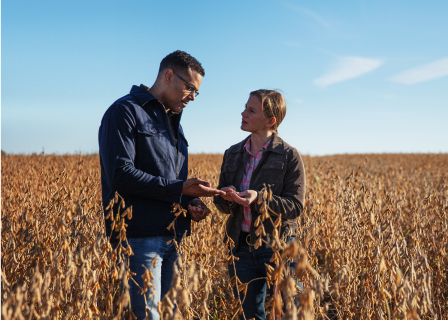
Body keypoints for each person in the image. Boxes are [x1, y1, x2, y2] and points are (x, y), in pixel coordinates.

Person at [98, 50, 225, 320]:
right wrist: (180, 189)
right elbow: (120, 174)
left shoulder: (174, 124)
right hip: (139, 238)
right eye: (190, 88)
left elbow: (172, 181)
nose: (192, 97)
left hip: (173, 237)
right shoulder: (125, 111)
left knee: (168, 315)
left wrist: (191, 202)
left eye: (196, 92)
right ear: (168, 75)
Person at [213, 89, 306, 320]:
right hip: (241, 248)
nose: (243, 113)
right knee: (250, 316)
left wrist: (260, 198)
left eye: (251, 110)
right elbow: (221, 205)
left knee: (288, 313)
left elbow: (295, 206)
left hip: (279, 247)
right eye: (245, 107)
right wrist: (225, 198)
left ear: (270, 120)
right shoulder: (232, 153)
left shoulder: (289, 156)